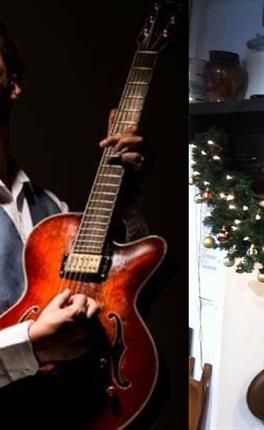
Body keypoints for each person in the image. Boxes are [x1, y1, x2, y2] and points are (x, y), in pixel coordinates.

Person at [0, 21, 146, 388]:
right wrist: (31, 346)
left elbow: (121, 281)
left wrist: (127, 194)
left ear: (13, 85)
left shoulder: (52, 208)